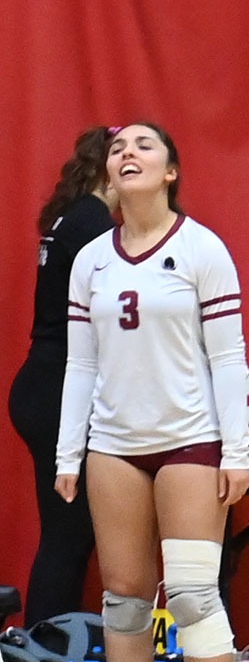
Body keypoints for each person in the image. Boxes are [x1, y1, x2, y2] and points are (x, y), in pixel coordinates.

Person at [58, 123, 249, 662]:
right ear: (108, 174)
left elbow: (228, 356)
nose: (127, 154)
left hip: (190, 439)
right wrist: (67, 454)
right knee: (125, 596)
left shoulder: (202, 250)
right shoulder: (91, 260)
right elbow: (79, 365)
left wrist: (237, 448)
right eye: (118, 149)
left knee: (195, 594)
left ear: (171, 171)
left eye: (144, 145)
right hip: (113, 445)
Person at [11, 127, 115, 625]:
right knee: (68, 537)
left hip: (39, 383)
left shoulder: (71, 218)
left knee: (68, 535)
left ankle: (50, 660)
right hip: (55, 386)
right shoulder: (94, 225)